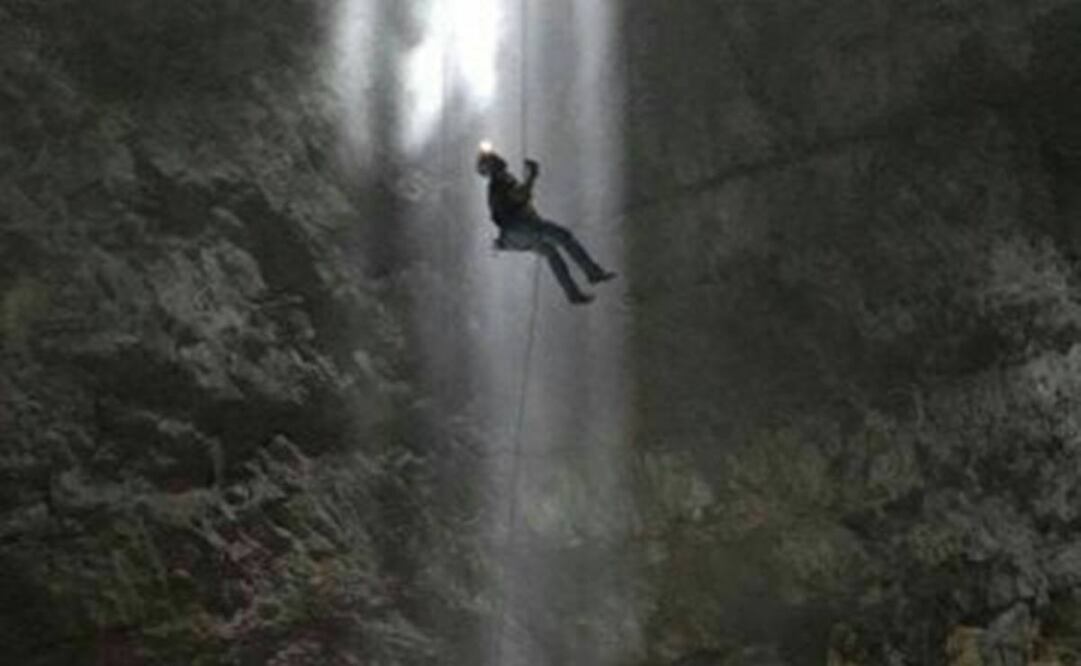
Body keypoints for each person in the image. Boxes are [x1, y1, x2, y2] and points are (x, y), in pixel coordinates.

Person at [476, 143, 616, 304]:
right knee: (563, 236)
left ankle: (574, 294)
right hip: (517, 229)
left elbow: (520, 198)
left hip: (514, 236)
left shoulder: (502, 181)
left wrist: (529, 179)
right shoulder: (499, 183)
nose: (498, 161)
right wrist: (531, 177)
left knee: (551, 252)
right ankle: (592, 273)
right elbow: (521, 196)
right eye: (493, 160)